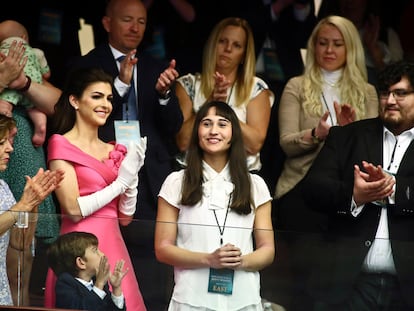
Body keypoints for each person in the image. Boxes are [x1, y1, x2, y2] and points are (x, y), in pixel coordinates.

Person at [69, 0, 184, 308]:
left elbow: (174, 127)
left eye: (142, 22)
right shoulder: (87, 65)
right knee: (105, 255)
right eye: (127, 20)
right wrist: (119, 83)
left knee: (152, 258)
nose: (135, 28)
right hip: (104, 175)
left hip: (151, 177)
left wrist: (164, 95)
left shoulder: (156, 66)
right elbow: (81, 117)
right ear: (107, 23)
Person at [300, 60, 414, 310]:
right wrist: (353, 195)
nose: (390, 100)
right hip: (345, 284)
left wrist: (392, 189)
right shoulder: (347, 135)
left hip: (407, 290)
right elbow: (312, 190)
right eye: (385, 93)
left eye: (401, 93)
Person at [43, 67, 147, 311]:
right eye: (97, 96)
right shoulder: (61, 143)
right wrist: (120, 183)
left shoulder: (114, 149)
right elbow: (73, 209)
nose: (106, 104)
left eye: (109, 98)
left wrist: (132, 180)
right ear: (75, 101)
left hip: (113, 244)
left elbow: (125, 218)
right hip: (77, 250)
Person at [155, 101, 275, 310]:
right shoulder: (176, 182)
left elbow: (267, 249)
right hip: (191, 299)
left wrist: (240, 262)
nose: (213, 131)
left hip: (243, 299)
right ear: (197, 131)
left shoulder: (256, 185)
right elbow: (162, 248)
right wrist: (209, 260)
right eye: (206, 123)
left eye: (222, 124)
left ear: (234, 133)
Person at [275, 15, 379, 230]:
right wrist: (316, 134)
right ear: (314, 46)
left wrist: (349, 131)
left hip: (347, 190)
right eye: (323, 43)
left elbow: (373, 151)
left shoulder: (367, 91)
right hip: (299, 187)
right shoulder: (296, 85)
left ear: (350, 47)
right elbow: (286, 143)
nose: (329, 50)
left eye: (337, 44)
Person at [0, 40, 62, 307]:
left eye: (11, 141)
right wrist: (21, 206)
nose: (10, 149)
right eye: (2, 143)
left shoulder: (2, 187)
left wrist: (32, 207)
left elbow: (18, 252)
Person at [175, 17, 274, 172]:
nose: (228, 49)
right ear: (212, 45)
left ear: (244, 55)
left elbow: (254, 145)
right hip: (193, 174)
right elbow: (183, 141)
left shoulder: (256, 88)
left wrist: (226, 112)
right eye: (222, 41)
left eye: (237, 45)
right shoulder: (187, 84)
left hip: (241, 176)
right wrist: (209, 103)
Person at [0, 20, 51, 147]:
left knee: (4, 105)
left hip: (10, 92)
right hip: (32, 87)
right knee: (35, 109)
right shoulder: (36, 52)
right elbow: (47, 74)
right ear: (24, 38)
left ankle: (9, 123)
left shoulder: (2, 56)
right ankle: (41, 125)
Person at [47, 231, 128, 311]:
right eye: (95, 251)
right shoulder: (65, 283)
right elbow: (83, 308)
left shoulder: (97, 281)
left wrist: (116, 288)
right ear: (81, 262)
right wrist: (99, 285)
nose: (102, 254)